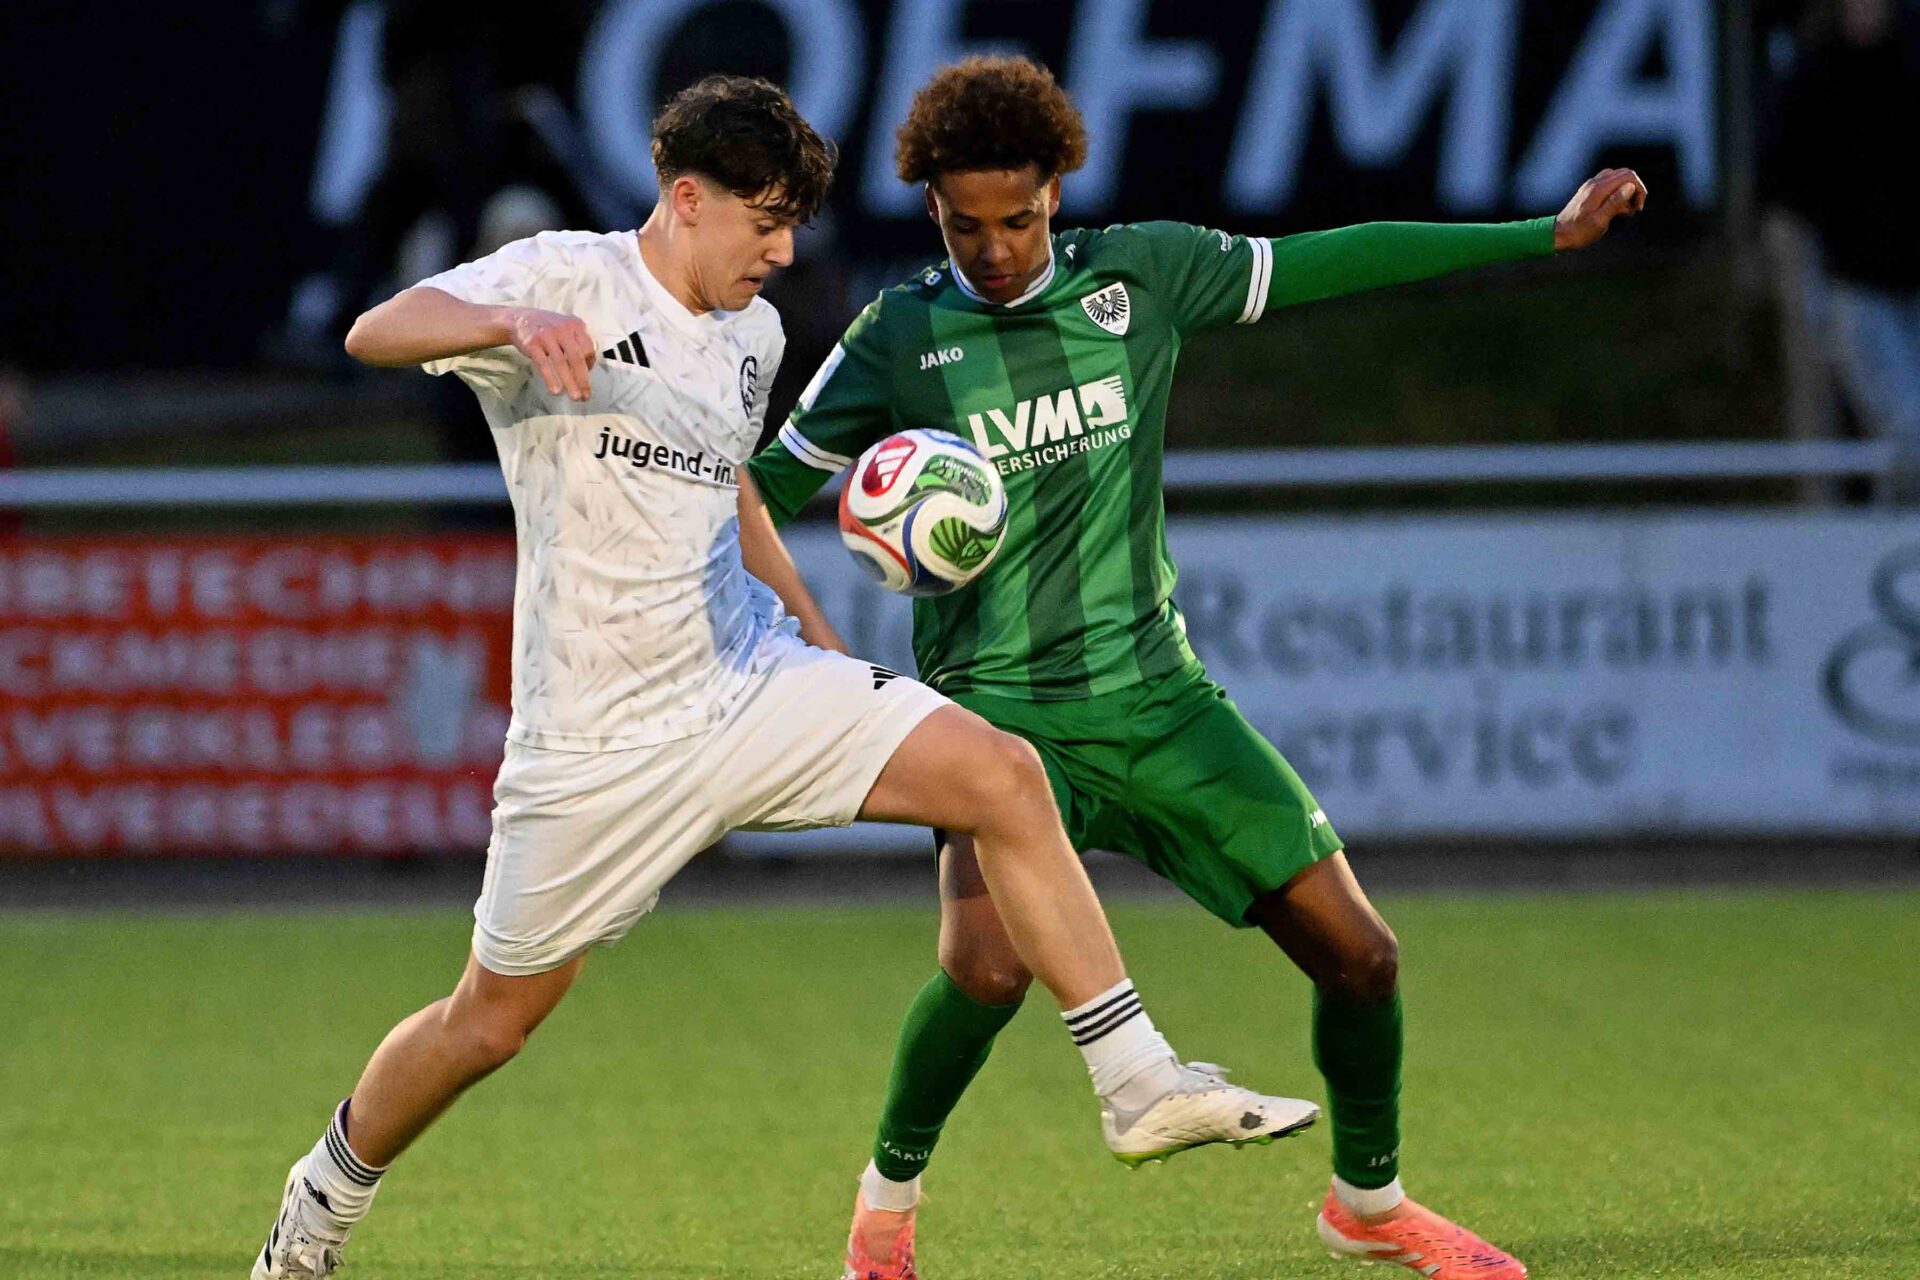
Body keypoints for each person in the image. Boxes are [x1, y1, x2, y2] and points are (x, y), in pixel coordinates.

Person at [248, 74, 1316, 1280]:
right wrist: (509, 323)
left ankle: (1136, 1079)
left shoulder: (752, 334)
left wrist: (812, 633)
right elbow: (374, 330)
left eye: (793, 225)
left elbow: (734, 493)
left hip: (749, 680)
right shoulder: (565, 275)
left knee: (1002, 774)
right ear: (686, 198)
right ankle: (324, 1190)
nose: (784, 252)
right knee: (489, 1021)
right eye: (764, 222)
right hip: (597, 738)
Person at [743, 56, 1646, 1280]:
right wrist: (796, 600)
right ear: (932, 209)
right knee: (986, 972)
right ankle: (882, 1219)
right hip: (1001, 725)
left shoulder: (1145, 277)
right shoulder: (898, 335)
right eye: (965, 225)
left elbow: (1337, 256)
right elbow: (755, 490)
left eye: (1018, 220)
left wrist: (1544, 233)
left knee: (1364, 955)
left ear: (1058, 194)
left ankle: (1368, 1203)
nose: (994, 250)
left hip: (1161, 698)